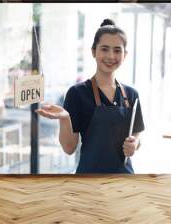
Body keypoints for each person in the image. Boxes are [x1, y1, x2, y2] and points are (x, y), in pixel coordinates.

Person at [36, 19, 145, 174]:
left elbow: (137, 131)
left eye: (117, 50)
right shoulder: (77, 93)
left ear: (125, 55)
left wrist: (136, 143)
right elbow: (69, 148)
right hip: (88, 178)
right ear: (94, 51)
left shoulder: (132, 94)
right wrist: (65, 118)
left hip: (124, 178)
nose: (111, 56)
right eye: (104, 49)